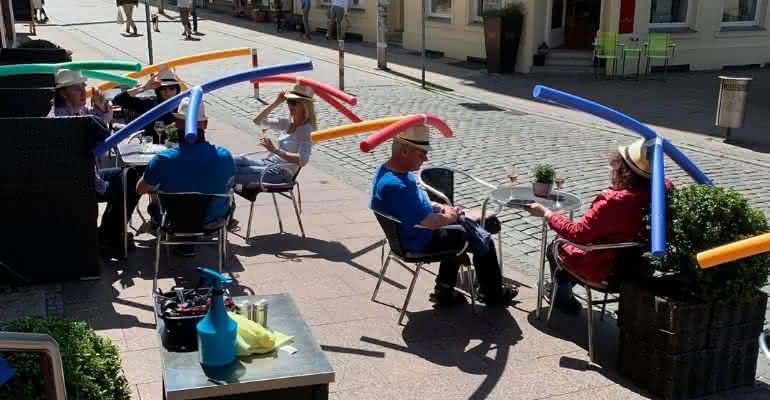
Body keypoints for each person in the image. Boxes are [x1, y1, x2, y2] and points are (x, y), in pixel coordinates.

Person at [370, 127, 518, 307]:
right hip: (419, 241)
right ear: (404, 150)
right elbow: (431, 222)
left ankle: (444, 289)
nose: (426, 158)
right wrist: (451, 216)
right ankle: (492, 294)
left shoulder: (388, 173)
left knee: (473, 227)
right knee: (484, 233)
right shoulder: (396, 186)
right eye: (422, 153)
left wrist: (439, 207)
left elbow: (413, 207)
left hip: (408, 236)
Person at [526, 139, 672, 313]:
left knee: (555, 247)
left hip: (607, 269)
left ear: (622, 169)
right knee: (568, 246)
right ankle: (562, 289)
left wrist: (547, 213)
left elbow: (578, 233)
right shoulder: (664, 188)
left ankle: (562, 298)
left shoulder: (613, 201)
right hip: (640, 269)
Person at [48, 69, 140, 258]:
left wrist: (100, 108)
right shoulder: (59, 120)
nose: (84, 93)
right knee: (128, 184)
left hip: (88, 175)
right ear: (63, 93)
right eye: (77, 89)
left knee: (129, 176)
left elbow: (99, 124)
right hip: (78, 183)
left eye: (83, 87)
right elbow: (79, 159)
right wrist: (101, 186)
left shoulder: (77, 111)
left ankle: (110, 233)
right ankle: (111, 236)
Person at [137, 97, 235, 256]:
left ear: (176, 123)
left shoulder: (163, 159)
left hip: (174, 221)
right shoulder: (225, 156)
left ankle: (181, 243)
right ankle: (191, 243)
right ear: (205, 124)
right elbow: (230, 183)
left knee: (154, 202)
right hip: (211, 221)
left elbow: (140, 189)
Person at [233, 83, 315, 189]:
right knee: (233, 160)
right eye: (289, 101)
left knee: (232, 173)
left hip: (281, 173)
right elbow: (258, 121)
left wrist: (274, 150)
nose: (290, 106)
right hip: (268, 163)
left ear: (305, 105)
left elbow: (303, 160)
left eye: (294, 103)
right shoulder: (288, 122)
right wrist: (277, 102)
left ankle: (223, 201)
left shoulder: (307, 130)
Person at [112, 69, 181, 143]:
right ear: (158, 90)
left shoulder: (183, 104)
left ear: (177, 90)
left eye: (172, 88)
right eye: (163, 89)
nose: (168, 92)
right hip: (153, 146)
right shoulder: (151, 103)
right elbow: (118, 100)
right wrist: (144, 88)